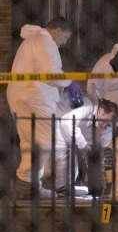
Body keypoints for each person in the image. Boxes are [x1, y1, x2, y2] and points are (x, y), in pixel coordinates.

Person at [7, 17, 73, 198]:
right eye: (65, 37)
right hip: (34, 96)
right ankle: (27, 183)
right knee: (45, 141)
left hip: (23, 95)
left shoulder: (33, 40)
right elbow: (50, 74)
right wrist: (69, 81)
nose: (64, 43)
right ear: (58, 31)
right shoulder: (45, 41)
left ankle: (29, 185)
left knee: (31, 142)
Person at [58, 96, 118, 193]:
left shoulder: (93, 124)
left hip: (63, 134)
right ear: (101, 111)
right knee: (64, 180)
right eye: (107, 121)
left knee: (71, 174)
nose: (105, 126)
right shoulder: (88, 107)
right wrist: (85, 149)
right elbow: (66, 123)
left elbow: (86, 143)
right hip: (56, 126)